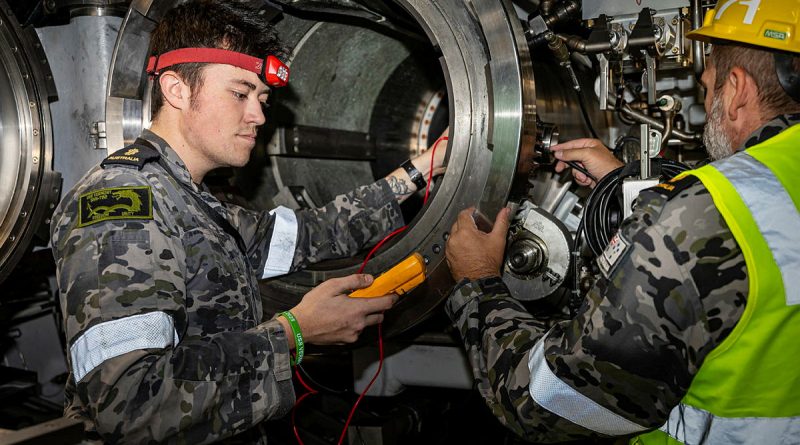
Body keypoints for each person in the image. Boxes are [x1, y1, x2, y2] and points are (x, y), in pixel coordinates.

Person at [50, 1, 447, 443]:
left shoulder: (196, 203)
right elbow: (129, 402)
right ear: (177, 90)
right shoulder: (124, 205)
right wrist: (294, 333)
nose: (258, 116)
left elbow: (312, 234)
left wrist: (420, 171)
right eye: (240, 94)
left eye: (262, 98)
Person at [444, 1, 800, 443]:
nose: (706, 103)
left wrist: (478, 284)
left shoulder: (704, 212)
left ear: (739, 89)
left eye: (707, 90)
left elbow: (550, 401)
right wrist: (622, 182)